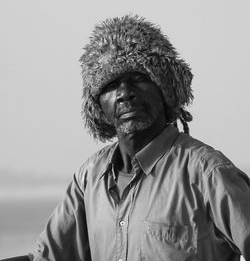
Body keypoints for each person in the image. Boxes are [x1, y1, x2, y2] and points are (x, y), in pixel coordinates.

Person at [29, 15, 250, 261]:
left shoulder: (207, 173)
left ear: (165, 88)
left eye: (138, 78)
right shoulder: (89, 178)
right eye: (111, 84)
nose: (125, 94)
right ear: (98, 105)